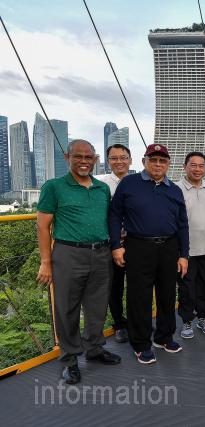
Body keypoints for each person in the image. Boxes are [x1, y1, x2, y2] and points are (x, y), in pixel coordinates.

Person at [36, 139, 121, 384]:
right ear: (67, 157)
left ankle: (94, 348)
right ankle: (70, 360)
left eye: (88, 157)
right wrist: (45, 261)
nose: (84, 161)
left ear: (95, 160)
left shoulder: (101, 188)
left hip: (101, 253)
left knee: (98, 306)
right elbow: (42, 226)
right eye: (78, 156)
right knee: (67, 309)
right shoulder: (54, 187)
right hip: (68, 254)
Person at [109, 143, 189, 364]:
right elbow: (115, 215)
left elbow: (183, 224)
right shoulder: (129, 183)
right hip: (138, 246)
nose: (157, 164)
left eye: (162, 160)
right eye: (153, 160)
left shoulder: (174, 190)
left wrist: (184, 255)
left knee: (167, 295)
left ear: (168, 164)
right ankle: (141, 343)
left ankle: (164, 337)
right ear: (144, 161)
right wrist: (116, 245)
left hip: (169, 247)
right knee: (139, 297)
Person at [176, 152, 205, 339]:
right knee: (186, 288)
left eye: (201, 166)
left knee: (204, 286)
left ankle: (203, 317)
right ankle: (186, 320)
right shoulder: (176, 189)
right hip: (185, 250)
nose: (197, 169)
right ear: (185, 167)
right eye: (193, 165)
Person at [95, 143, 132, 344]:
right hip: (111, 243)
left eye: (123, 157)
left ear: (130, 160)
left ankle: (136, 321)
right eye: (114, 158)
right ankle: (119, 324)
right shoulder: (100, 185)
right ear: (108, 161)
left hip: (135, 242)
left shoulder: (138, 182)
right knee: (114, 286)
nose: (119, 162)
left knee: (137, 284)